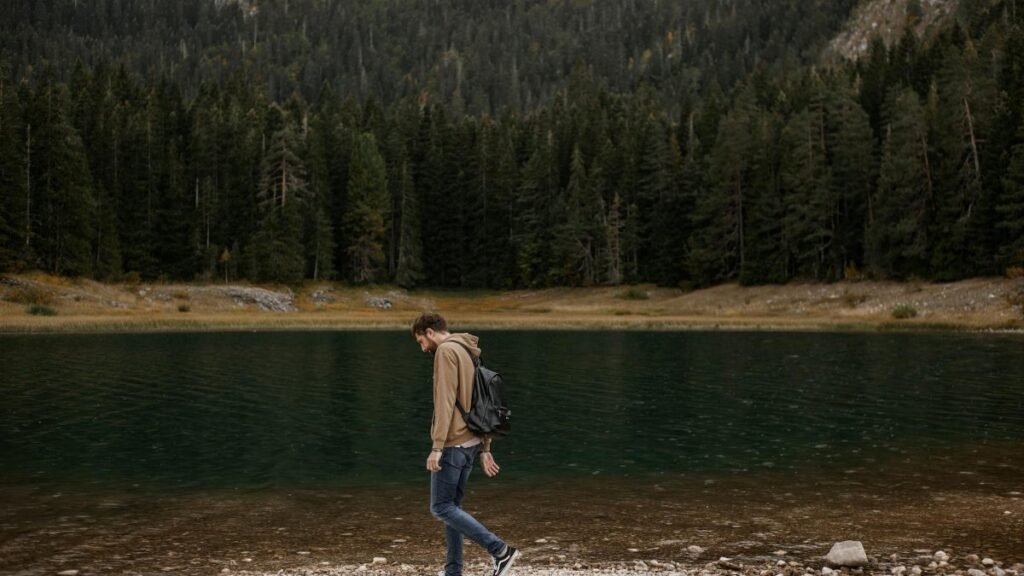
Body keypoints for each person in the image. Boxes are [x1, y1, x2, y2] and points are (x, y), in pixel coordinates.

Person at [412, 312, 520, 576]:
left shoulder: (446, 352)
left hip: (453, 443)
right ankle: (453, 571)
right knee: (452, 508)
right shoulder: (468, 349)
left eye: (420, 341)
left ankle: (501, 551)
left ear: (429, 332)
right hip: (471, 441)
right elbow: (483, 402)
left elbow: (445, 401)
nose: (423, 348)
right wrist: (485, 447)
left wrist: (437, 446)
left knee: (441, 507)